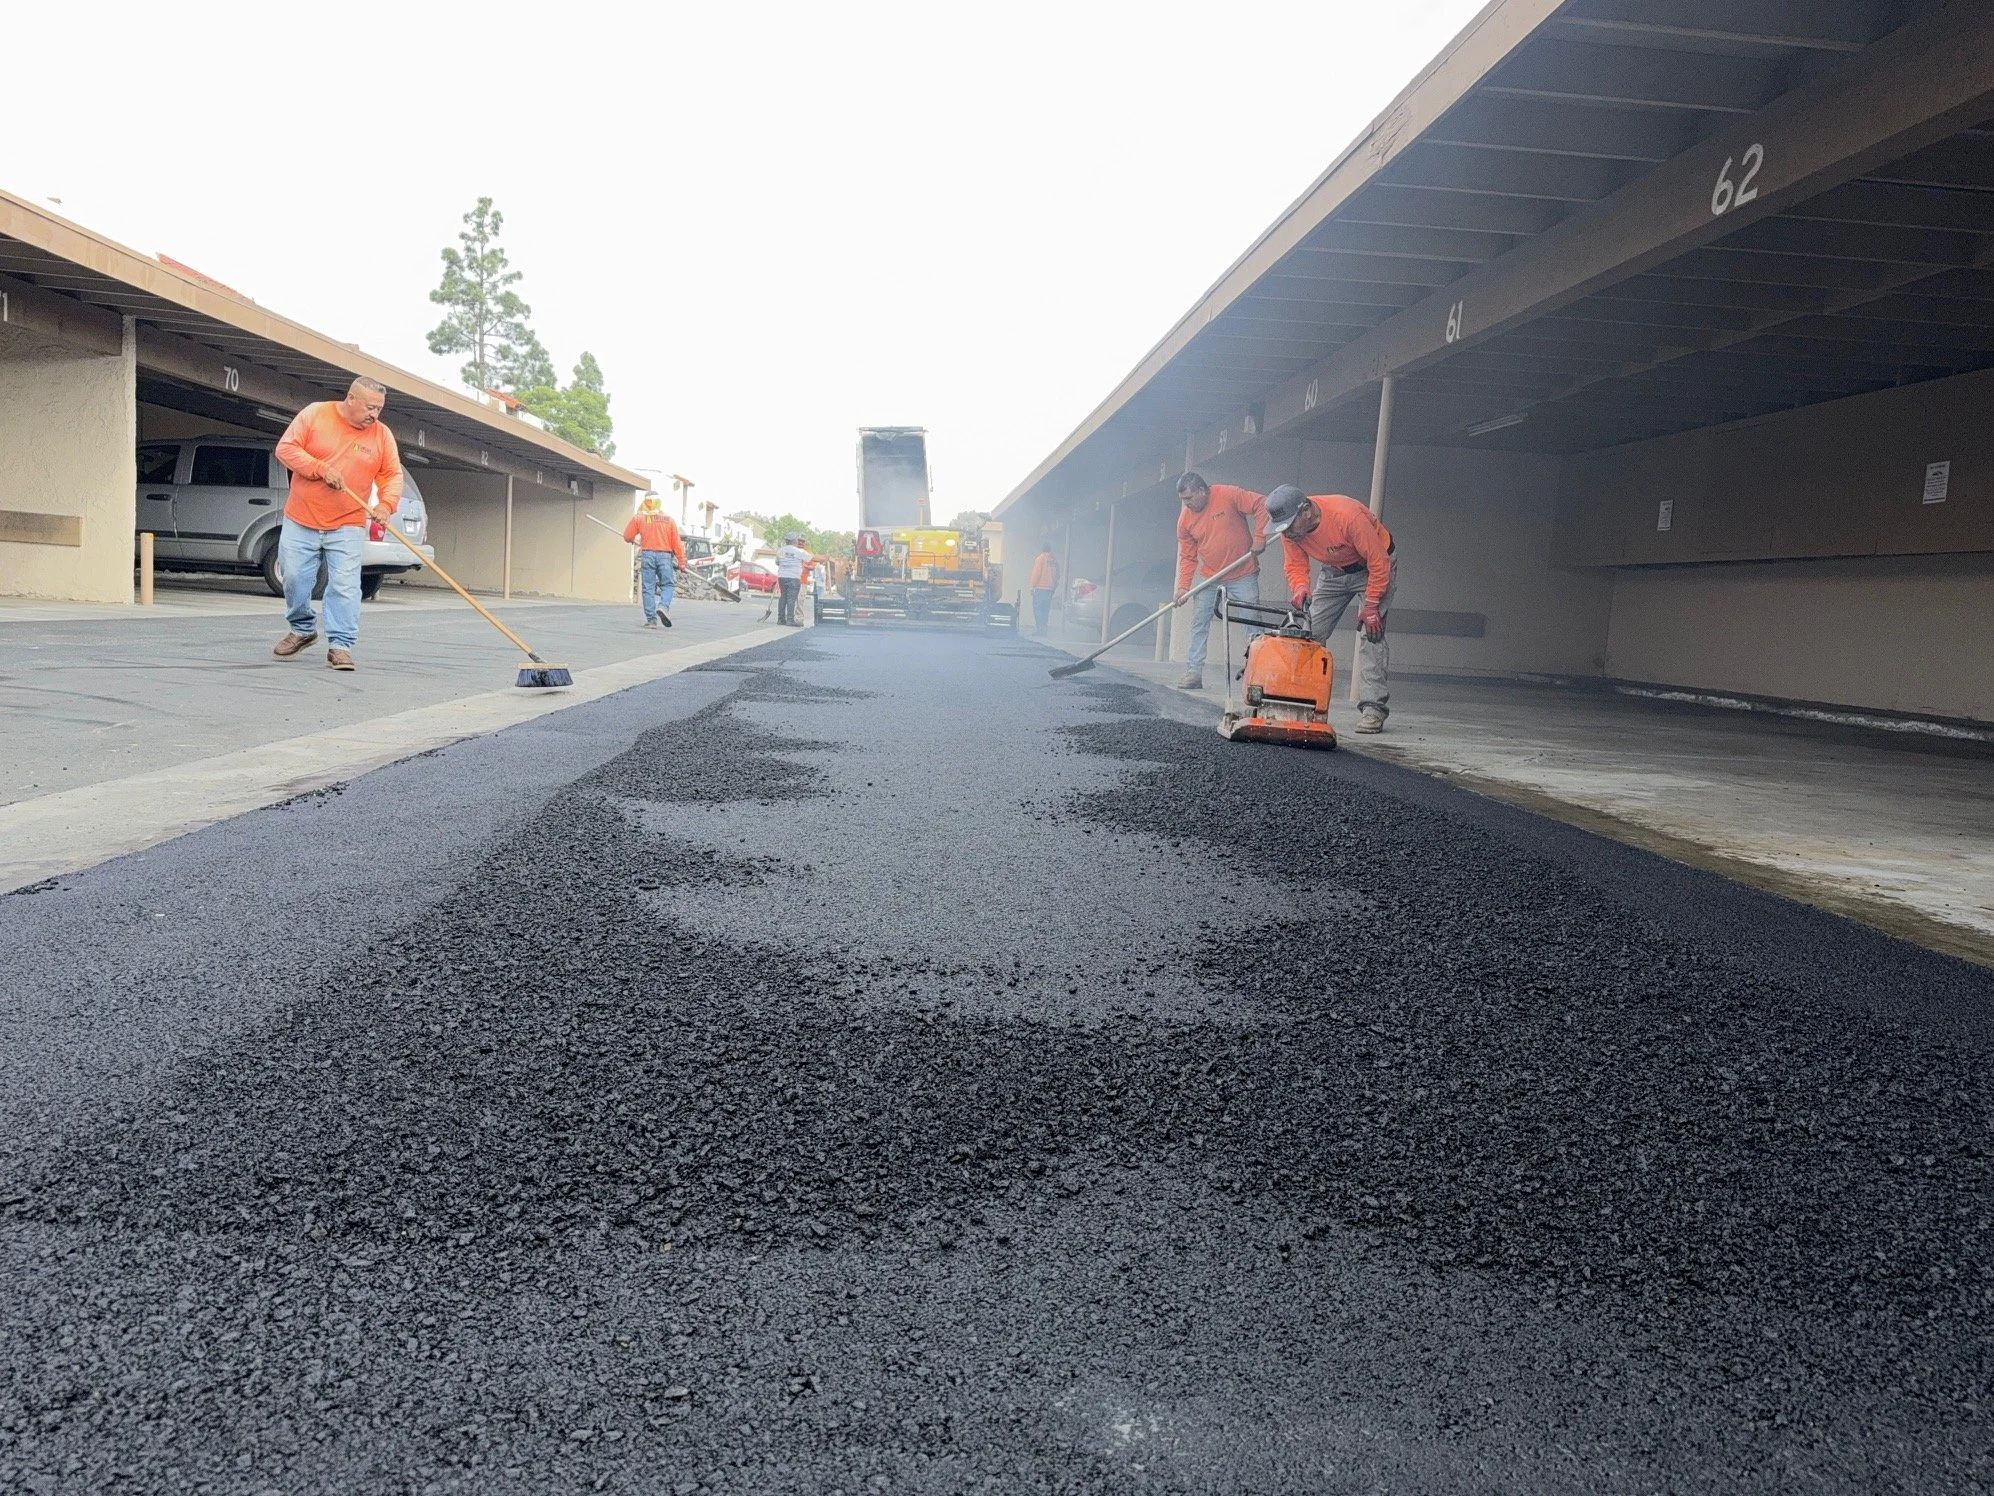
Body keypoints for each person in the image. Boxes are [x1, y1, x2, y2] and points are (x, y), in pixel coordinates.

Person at [271, 377, 404, 671]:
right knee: (293, 578)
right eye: (370, 407)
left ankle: (340, 645)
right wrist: (319, 469)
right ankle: (303, 629)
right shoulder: (315, 414)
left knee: (345, 586)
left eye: (379, 409)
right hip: (301, 518)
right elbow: (286, 449)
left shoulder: (381, 435)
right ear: (351, 399)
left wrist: (385, 504)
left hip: (347, 524)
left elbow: (392, 475)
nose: (374, 414)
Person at [1265, 484, 1397, 734]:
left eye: (1290, 525)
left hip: (1373, 568)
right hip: (1334, 572)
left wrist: (1371, 606)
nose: (1287, 533)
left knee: (1372, 634)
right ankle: (1298, 700)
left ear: (1306, 511)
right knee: (1309, 634)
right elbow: (1295, 564)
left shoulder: (1346, 516)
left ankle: (1373, 709)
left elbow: (1380, 562)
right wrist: (1300, 587)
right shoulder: (1289, 529)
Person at [1171, 472, 1267, 691]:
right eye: (1183, 500)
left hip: (1243, 572)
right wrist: (1183, 587)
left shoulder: (1228, 494)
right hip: (1210, 576)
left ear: (1202, 491)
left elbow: (1261, 504)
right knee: (1199, 622)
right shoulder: (1185, 520)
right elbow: (1187, 557)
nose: (1186, 504)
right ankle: (1194, 672)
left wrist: (1260, 537)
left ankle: (1257, 676)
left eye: (1189, 499)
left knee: (1252, 622)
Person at [622, 495, 687, 628]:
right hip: (664, 556)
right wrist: (681, 562)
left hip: (647, 555)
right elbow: (677, 543)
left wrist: (633, 539)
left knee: (648, 588)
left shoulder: (639, 518)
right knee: (668, 585)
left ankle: (651, 620)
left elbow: (628, 536)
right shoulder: (669, 520)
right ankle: (663, 606)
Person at [775, 534, 812, 626]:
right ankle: (790, 620)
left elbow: (777, 562)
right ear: (795, 541)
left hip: (782, 576)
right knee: (791, 599)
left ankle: (781, 619)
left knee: (783, 597)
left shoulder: (781, 551)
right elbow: (810, 558)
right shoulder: (798, 551)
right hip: (794, 577)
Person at [1027, 542, 1059, 635]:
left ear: (1042, 549)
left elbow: (1036, 573)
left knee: (1038, 609)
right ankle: (1044, 629)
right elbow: (1057, 575)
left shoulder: (1040, 559)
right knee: (1046, 610)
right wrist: (1054, 587)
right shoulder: (1054, 560)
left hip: (1040, 588)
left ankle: (1040, 630)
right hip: (1050, 589)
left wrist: (1032, 586)